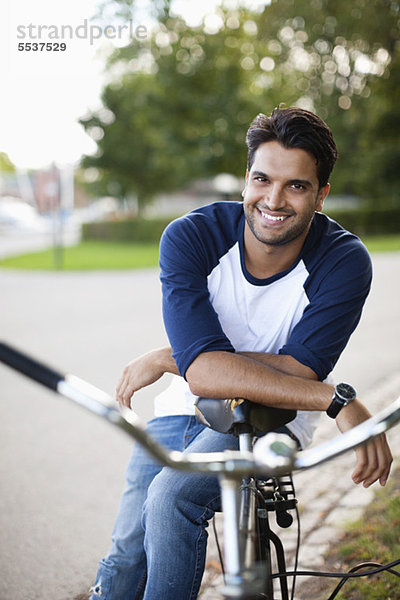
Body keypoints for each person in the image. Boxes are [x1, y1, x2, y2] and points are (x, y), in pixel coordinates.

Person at [88, 106, 392, 600]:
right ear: (245, 179)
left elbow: (298, 371)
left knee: (170, 498)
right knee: (126, 553)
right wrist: (334, 398)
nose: (273, 199)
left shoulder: (343, 260)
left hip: (277, 412)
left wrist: (182, 357)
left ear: (321, 195)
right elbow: (204, 375)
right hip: (182, 405)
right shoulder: (190, 237)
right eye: (261, 179)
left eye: (296, 185)